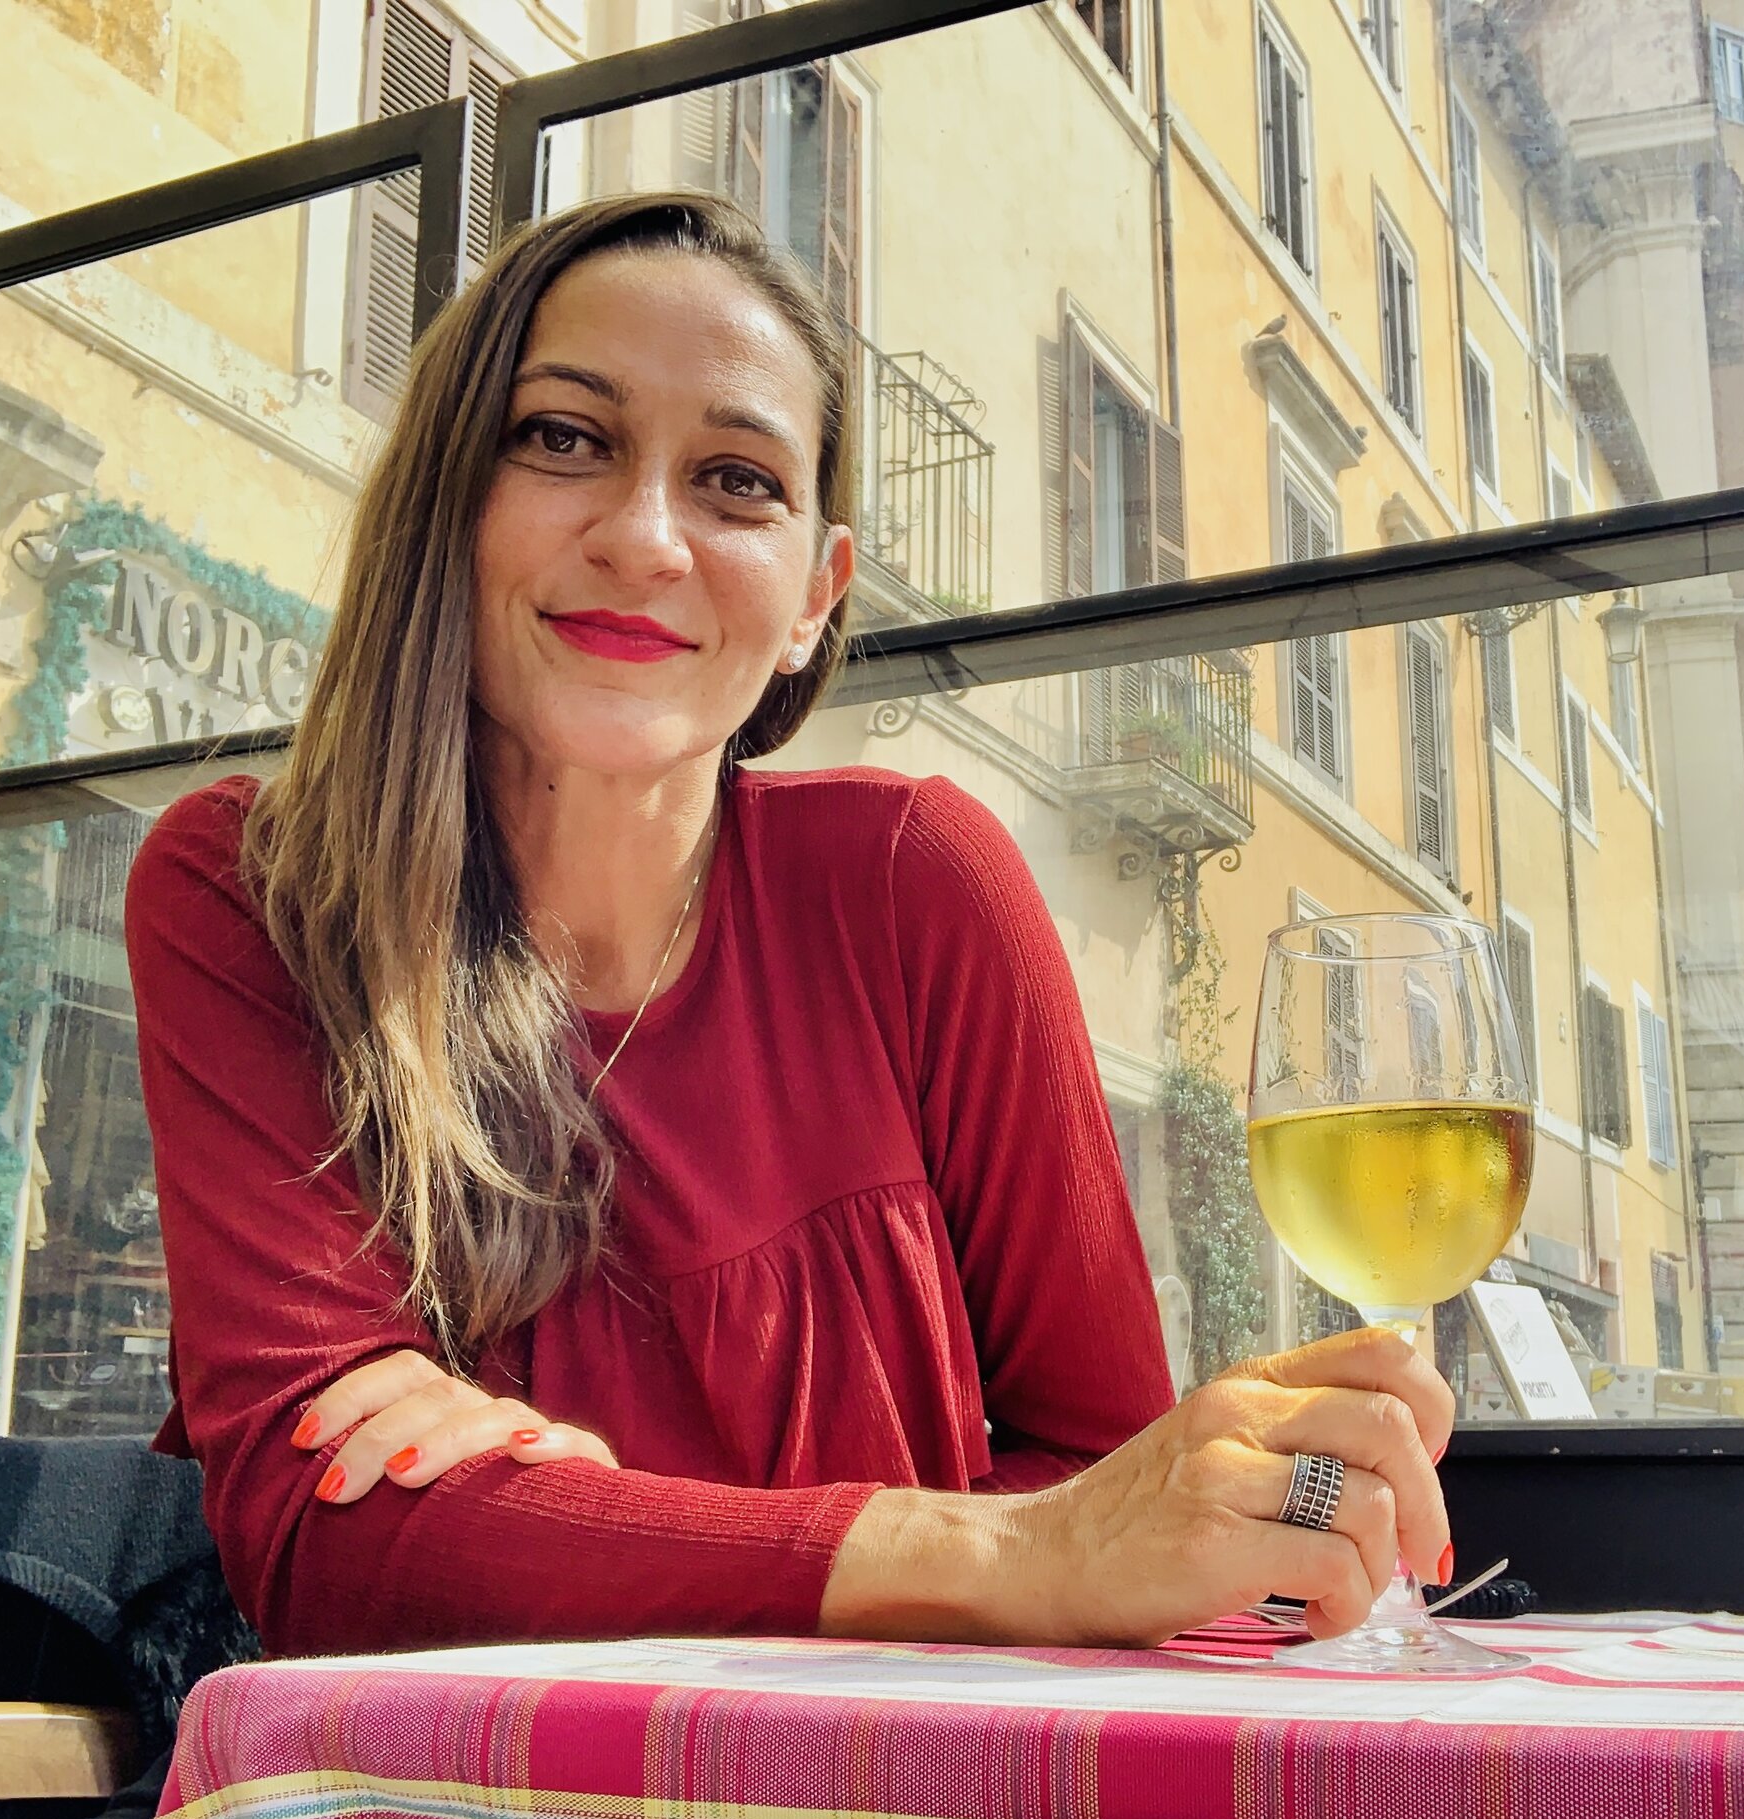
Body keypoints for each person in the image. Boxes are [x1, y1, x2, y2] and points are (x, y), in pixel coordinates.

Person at [127, 191, 1457, 1665]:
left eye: (737, 482)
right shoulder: (250, 894)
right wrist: (998, 1546)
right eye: (563, 438)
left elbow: (1106, 1487)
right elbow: (333, 1546)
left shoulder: (916, 885)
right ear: (450, 495)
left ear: (818, 597)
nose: (643, 538)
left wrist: (578, 1523)